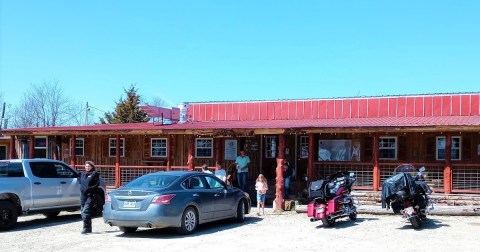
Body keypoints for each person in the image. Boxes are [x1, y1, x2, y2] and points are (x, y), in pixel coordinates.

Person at [79, 161, 100, 234]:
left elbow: (97, 184)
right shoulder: (82, 174)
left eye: (89, 166)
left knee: (86, 211)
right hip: (82, 195)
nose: (87, 167)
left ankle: (86, 228)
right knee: (82, 212)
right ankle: (89, 228)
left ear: (92, 167)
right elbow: (80, 183)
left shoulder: (94, 174)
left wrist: (89, 189)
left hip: (90, 195)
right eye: (86, 166)